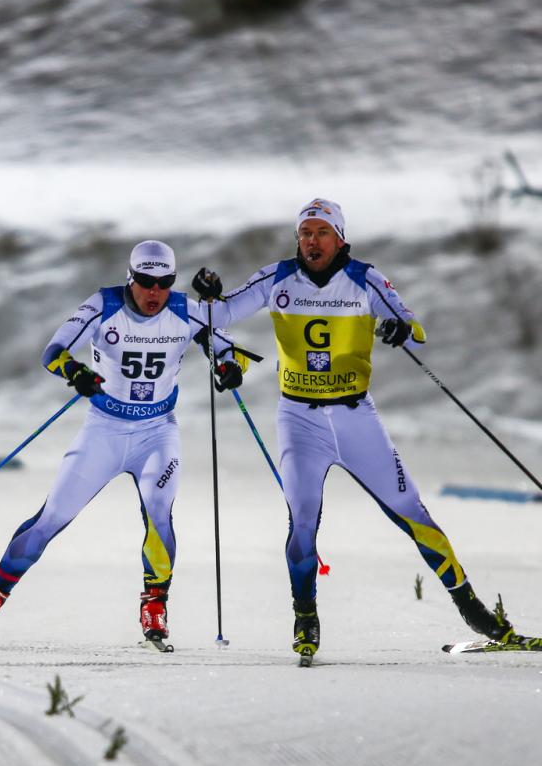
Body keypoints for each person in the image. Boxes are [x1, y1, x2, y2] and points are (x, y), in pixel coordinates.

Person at [191, 197, 519, 661]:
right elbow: (217, 316)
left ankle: (475, 612)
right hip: (299, 419)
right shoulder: (278, 277)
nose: (312, 241)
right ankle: (305, 615)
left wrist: (400, 330)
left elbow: (413, 324)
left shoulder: (365, 279)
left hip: (354, 417)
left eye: (322, 232)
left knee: (413, 512)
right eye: (305, 233)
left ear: (340, 237)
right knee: (302, 519)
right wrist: (207, 294)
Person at [0, 240, 244, 647]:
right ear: (129, 277)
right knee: (50, 519)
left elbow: (228, 351)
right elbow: (54, 351)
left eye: (164, 283)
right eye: (145, 281)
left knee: (159, 515)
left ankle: (154, 604)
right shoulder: (104, 305)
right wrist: (75, 372)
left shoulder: (186, 310)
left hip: (158, 432)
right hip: (104, 430)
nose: (154, 292)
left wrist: (228, 368)